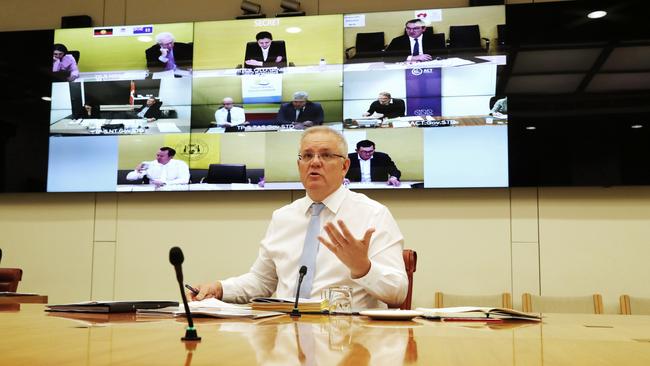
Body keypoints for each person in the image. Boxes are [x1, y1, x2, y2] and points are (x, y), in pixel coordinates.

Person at [189, 126, 408, 309]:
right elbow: (262, 281)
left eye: (325, 155)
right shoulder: (283, 217)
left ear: (345, 166)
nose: (314, 162)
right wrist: (219, 288)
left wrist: (363, 268)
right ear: (299, 165)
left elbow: (398, 293)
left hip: (347, 340)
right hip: (284, 335)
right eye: (307, 155)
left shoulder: (373, 214)